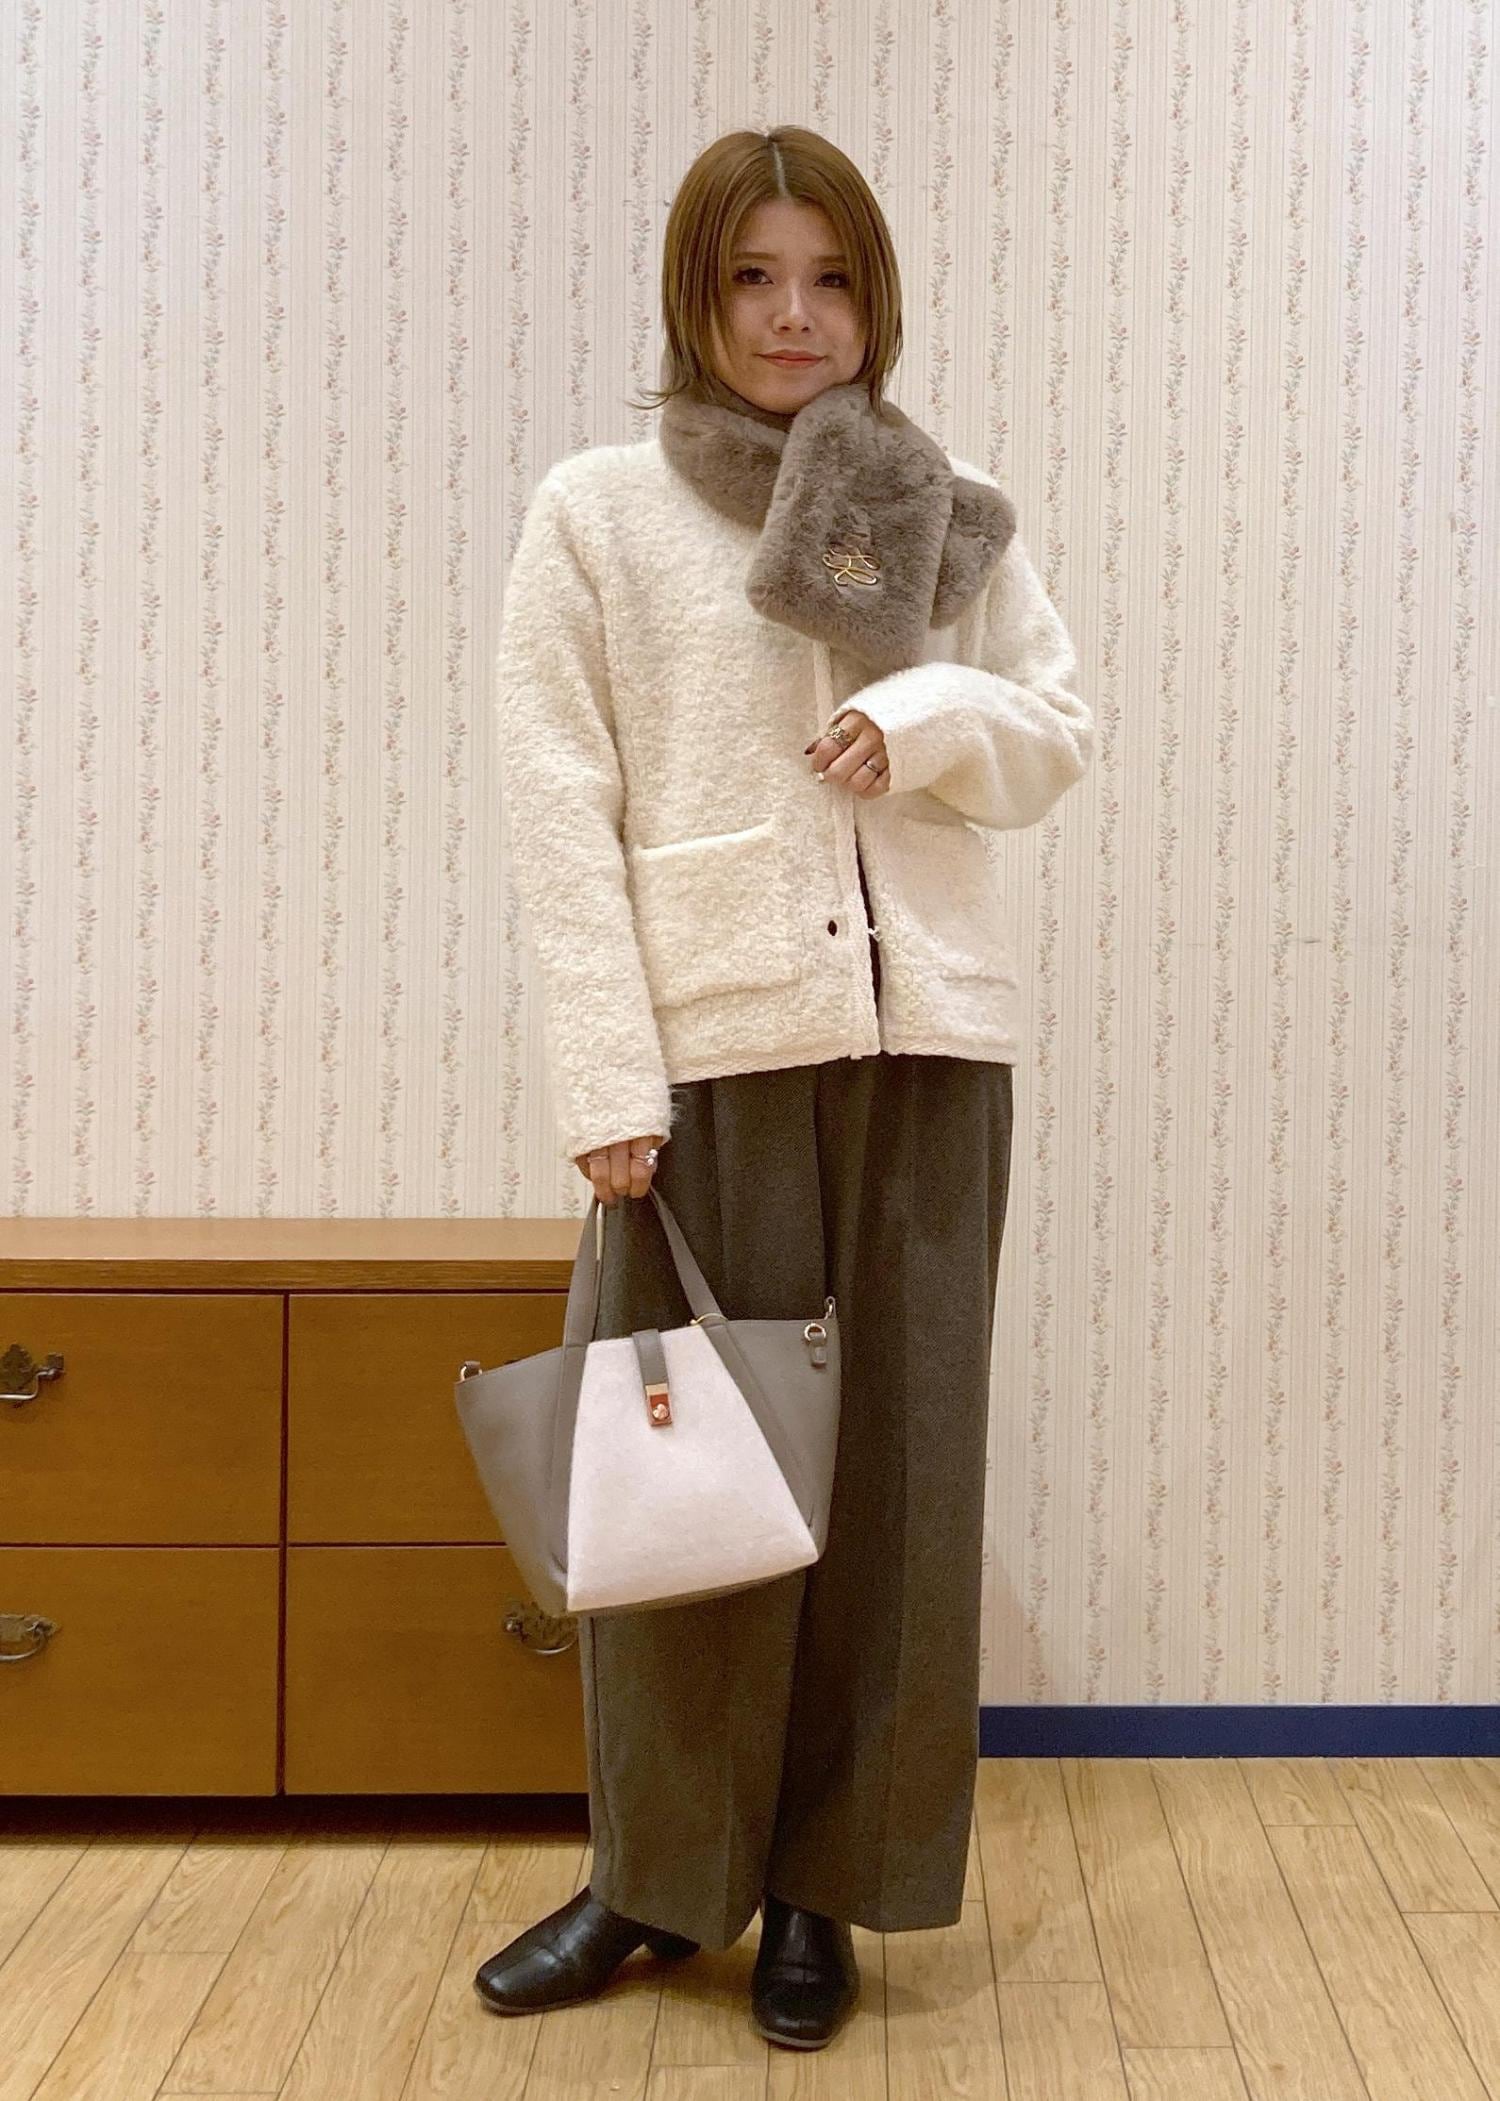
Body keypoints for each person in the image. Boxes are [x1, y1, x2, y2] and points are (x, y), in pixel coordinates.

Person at [475, 125, 1092, 2051]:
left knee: (898, 1487)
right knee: (686, 1495)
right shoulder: (600, 511)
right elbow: (558, 799)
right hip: (711, 1062)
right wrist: (607, 1066)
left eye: (829, 279)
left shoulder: (946, 508)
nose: (794, 316)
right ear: (698, 294)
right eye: (754, 277)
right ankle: (654, 1881)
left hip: (928, 1053)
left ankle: (828, 1886)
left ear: (874, 298)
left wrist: (922, 710)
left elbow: (1055, 728)